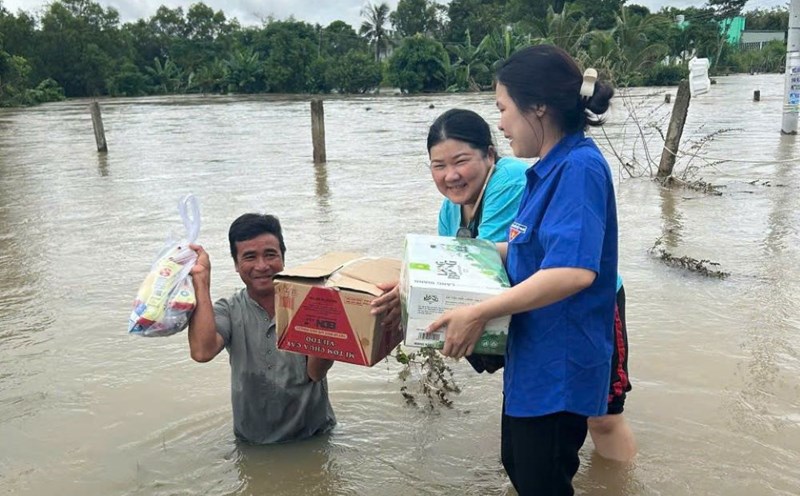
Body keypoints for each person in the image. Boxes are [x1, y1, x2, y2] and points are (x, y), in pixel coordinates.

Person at [373, 106, 637, 463]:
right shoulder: (449, 210)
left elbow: (481, 274)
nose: (450, 176)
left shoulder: (512, 180)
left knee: (603, 414)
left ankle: (621, 481)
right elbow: (447, 270)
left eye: (461, 161)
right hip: (530, 305)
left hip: (584, 301)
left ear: (490, 155)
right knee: (544, 414)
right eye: (439, 165)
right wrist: (406, 288)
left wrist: (417, 301)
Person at [426, 45, 621, 494]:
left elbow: (573, 272)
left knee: (542, 479)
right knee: (518, 465)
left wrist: (477, 312)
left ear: (538, 106)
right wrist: (423, 270)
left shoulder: (579, 168)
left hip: (560, 364)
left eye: (504, 109)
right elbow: (522, 252)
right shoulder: (544, 171)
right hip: (533, 360)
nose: (501, 123)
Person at [187, 213, 336, 444]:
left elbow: (315, 372)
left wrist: (327, 325)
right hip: (252, 442)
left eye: (270, 255)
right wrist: (201, 281)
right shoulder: (229, 309)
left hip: (313, 437)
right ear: (236, 265)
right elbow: (202, 352)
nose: (262, 266)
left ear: (283, 258)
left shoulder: (307, 304)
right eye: (249, 257)